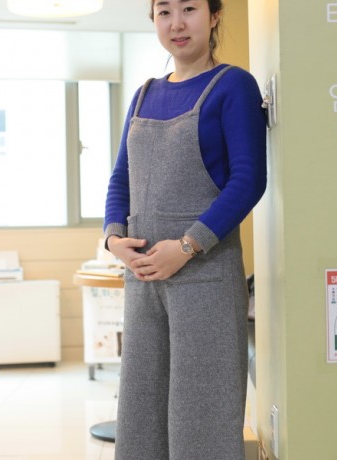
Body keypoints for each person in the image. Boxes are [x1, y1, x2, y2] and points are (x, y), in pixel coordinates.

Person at [103, 0, 267, 458]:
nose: (176, 23)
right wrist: (114, 238)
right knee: (141, 415)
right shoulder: (143, 94)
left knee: (202, 419)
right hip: (144, 278)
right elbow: (121, 179)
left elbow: (249, 180)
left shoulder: (233, 85)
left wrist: (188, 245)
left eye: (190, 8)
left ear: (214, 16)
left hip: (205, 278)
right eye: (164, 11)